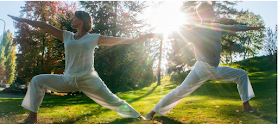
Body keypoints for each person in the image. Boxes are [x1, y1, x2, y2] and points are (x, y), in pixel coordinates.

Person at [9, 11, 150, 123]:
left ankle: (137, 116)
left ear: (82, 20)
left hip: (89, 79)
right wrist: (25, 21)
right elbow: (45, 25)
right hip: (68, 79)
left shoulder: (93, 38)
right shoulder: (66, 36)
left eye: (74, 18)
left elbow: (117, 41)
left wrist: (136, 40)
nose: (72, 20)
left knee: (112, 99)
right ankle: (32, 117)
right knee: (37, 80)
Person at [145, 1, 265, 120]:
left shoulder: (217, 27)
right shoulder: (196, 30)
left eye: (213, 10)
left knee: (242, 75)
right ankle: (152, 112)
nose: (213, 12)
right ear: (203, 13)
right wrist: (150, 35)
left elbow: (234, 27)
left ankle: (246, 105)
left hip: (215, 69)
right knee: (180, 91)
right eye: (210, 10)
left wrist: (253, 28)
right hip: (201, 68)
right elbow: (174, 34)